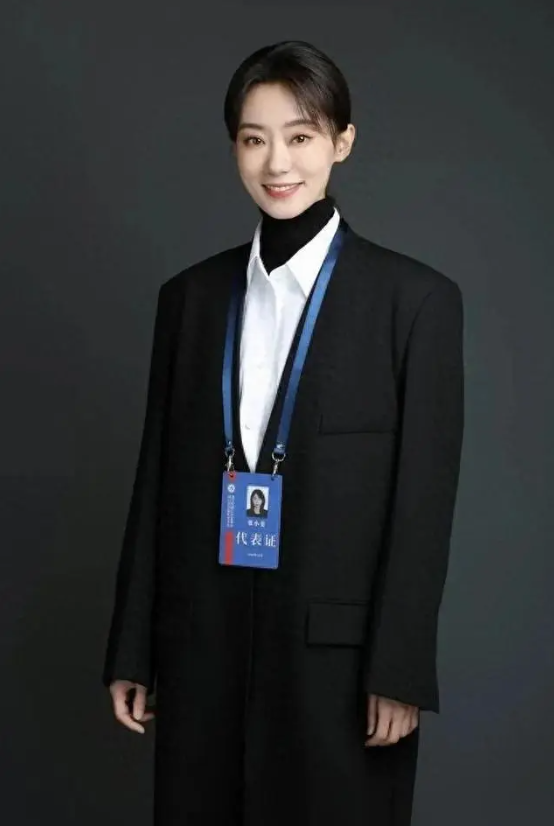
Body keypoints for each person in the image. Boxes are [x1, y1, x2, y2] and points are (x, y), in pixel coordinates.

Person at [103, 40, 464, 826]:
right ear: (233, 147)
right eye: (253, 138)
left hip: (341, 670)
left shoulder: (415, 302)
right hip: (201, 649)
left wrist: (400, 669)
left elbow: (423, 502)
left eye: (300, 136)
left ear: (342, 142)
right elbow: (155, 479)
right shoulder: (190, 299)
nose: (277, 163)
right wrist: (133, 647)